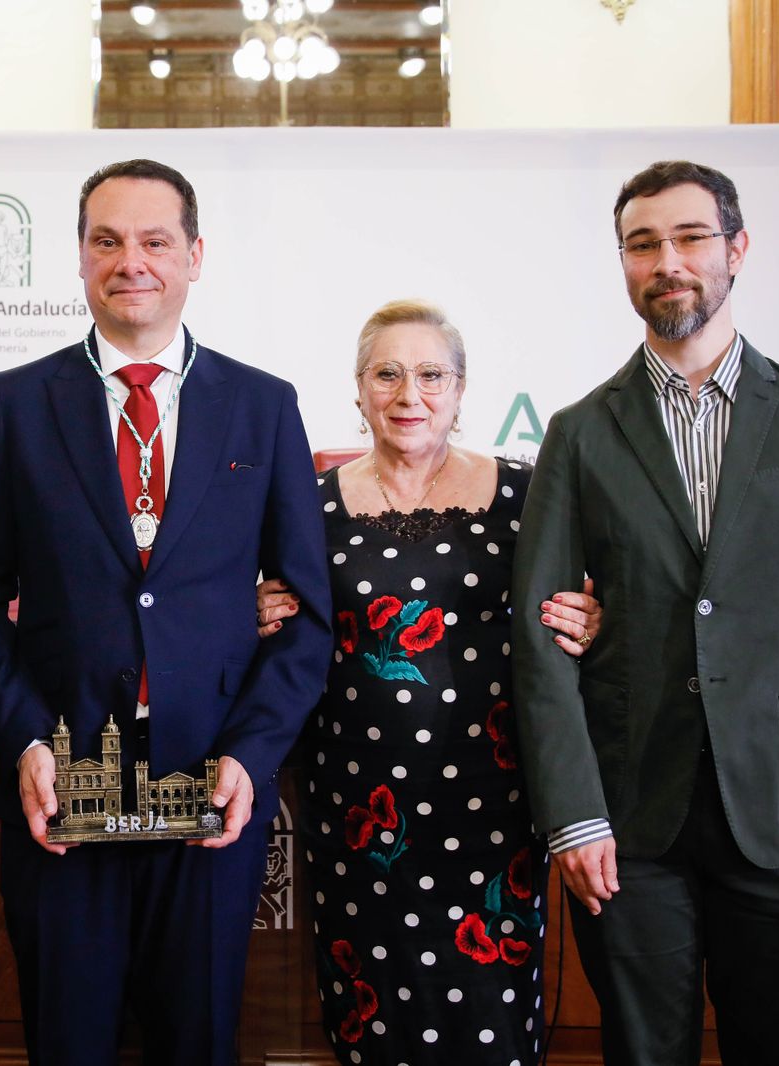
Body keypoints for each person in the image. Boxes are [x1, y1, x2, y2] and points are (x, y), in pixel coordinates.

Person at [511, 160, 779, 1065]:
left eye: (690, 237)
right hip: (628, 823)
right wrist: (573, 815)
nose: (668, 261)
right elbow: (540, 646)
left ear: (736, 248)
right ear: (623, 264)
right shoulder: (578, 433)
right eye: (643, 244)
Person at [0, 158, 332, 1066]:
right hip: (59, 791)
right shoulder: (13, 404)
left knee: (195, 1041)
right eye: (107, 241)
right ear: (80, 259)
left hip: (212, 793)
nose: (132, 262)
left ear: (195, 255)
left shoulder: (264, 407)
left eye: (156, 241)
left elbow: (309, 615)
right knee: (69, 1043)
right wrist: (27, 742)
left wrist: (251, 753)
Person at [254, 299, 600, 1064]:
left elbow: (585, 601)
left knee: (489, 1009)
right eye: (388, 373)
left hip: (493, 801)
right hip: (357, 808)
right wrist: (248, 613)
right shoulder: (308, 506)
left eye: (431, 374)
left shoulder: (526, 494)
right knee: (369, 1005)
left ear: (462, 388)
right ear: (357, 389)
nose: (409, 394)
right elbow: (278, 621)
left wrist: (596, 621)